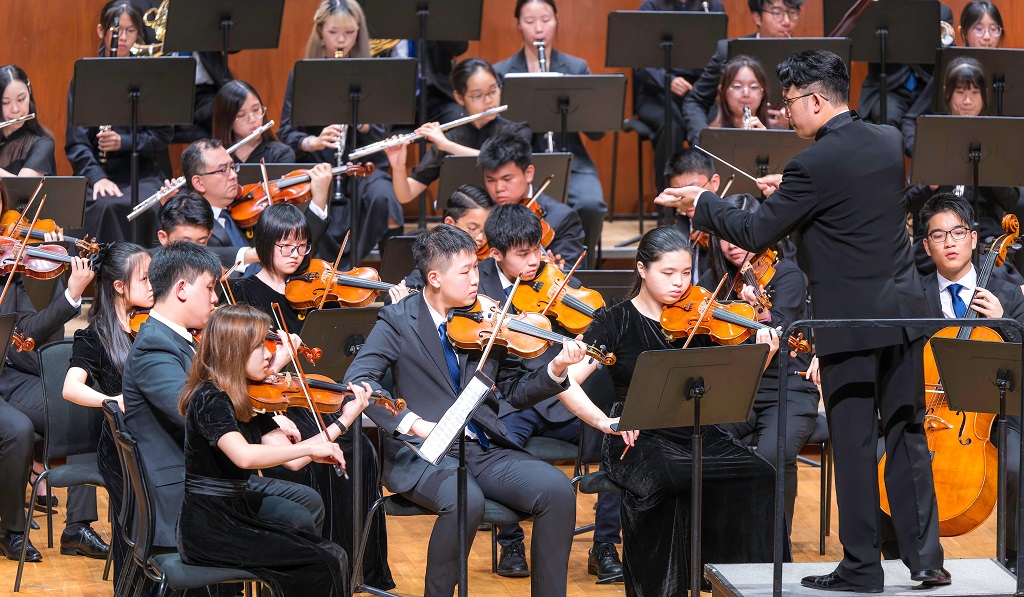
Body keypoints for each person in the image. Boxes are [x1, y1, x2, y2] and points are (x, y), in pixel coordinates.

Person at [655, 49, 947, 591]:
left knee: (854, 443)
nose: (785, 112)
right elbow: (847, 209)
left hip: (849, 326)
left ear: (815, 99)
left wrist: (703, 203)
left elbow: (755, 232)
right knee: (906, 433)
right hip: (905, 313)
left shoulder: (810, 167)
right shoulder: (887, 142)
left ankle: (863, 568)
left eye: (789, 101)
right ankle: (927, 560)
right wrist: (792, 196)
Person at [343, 224, 586, 597]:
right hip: (421, 451)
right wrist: (413, 423)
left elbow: (513, 391)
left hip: (480, 447)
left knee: (558, 491)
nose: (476, 278)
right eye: (466, 271)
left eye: (476, 267)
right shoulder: (398, 319)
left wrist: (555, 370)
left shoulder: (485, 316)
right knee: (465, 500)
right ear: (435, 278)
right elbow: (359, 379)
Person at [549, 226, 781, 596]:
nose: (679, 282)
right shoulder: (615, 320)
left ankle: (738, 584)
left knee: (761, 475)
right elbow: (566, 380)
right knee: (668, 481)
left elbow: (729, 382)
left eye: (686, 272)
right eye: (668, 272)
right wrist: (605, 421)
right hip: (637, 433)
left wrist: (763, 355)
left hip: (695, 428)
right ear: (642, 269)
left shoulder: (703, 317)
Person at [230, 203, 395, 589]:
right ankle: (319, 570)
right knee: (313, 460)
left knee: (362, 452)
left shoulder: (317, 290)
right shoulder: (242, 293)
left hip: (318, 392)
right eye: (285, 246)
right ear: (265, 244)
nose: (295, 255)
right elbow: (239, 365)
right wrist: (279, 363)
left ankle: (358, 569)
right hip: (275, 401)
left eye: (302, 246)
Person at [122, 241, 327, 549]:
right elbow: (193, 414)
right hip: (185, 490)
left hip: (214, 474)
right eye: (209, 288)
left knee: (308, 499)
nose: (215, 298)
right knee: (297, 514)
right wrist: (260, 408)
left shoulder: (184, 338)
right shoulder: (154, 347)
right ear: (182, 289)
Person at [479, 204, 623, 580]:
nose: (534, 261)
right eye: (522, 254)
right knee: (496, 442)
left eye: (538, 250)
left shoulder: (554, 281)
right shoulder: (477, 288)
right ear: (496, 254)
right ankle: (511, 543)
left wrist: (586, 350)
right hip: (516, 402)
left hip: (567, 401)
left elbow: (594, 334)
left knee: (621, 440)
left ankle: (605, 545)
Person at [176, 304, 361, 596]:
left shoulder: (243, 395)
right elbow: (244, 456)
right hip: (209, 527)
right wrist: (311, 450)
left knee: (334, 554)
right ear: (234, 350)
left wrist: (344, 420)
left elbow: (295, 461)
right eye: (259, 346)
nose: (269, 355)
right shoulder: (210, 397)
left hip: (233, 514)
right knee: (323, 562)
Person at [911, 192, 1023, 570]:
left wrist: (1005, 323)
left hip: (995, 416)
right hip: (930, 414)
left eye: (958, 233)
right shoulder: (913, 296)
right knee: (882, 463)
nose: (950, 242)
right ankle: (903, 558)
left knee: (1015, 466)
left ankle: (1014, 559)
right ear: (926, 246)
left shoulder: (1007, 292)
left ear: (974, 239)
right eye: (938, 235)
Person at [0, 179, 105, 563]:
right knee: (17, 430)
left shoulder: (8, 268)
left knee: (80, 408)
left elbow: (28, 328)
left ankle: (77, 528)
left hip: (9, 378)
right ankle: (11, 530)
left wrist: (71, 292)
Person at [700, 193, 817, 533]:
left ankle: (775, 546)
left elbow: (779, 330)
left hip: (788, 387)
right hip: (738, 389)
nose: (732, 244)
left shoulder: (787, 275)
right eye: (725, 235)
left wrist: (758, 312)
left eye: (740, 234)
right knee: (702, 441)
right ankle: (724, 537)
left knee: (773, 454)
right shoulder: (715, 281)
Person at [277, 0, 403, 265]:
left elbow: (383, 132)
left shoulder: (374, 72)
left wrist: (362, 122)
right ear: (320, 31)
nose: (342, 40)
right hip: (318, 166)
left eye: (349, 32)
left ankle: (372, 269)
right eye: (333, 32)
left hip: (363, 166)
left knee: (384, 196)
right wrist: (313, 141)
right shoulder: (303, 73)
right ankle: (318, 268)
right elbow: (286, 131)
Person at [493, 0, 608, 268]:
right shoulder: (502, 72)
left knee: (592, 203)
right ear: (518, 25)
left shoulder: (576, 67)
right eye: (530, 21)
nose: (539, 28)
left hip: (571, 158)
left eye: (545, 20)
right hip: (522, 162)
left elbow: (597, 132)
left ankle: (582, 268)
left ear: (556, 21)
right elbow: (498, 129)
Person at [62, 242, 153, 579]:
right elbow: (70, 388)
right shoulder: (95, 335)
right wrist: (113, 400)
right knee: (137, 524)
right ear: (119, 286)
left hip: (156, 436)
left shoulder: (153, 324)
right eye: (145, 279)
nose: (153, 286)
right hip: (122, 445)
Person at [903, 58, 1024, 277]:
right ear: (947, 94)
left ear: (985, 95)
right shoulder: (932, 136)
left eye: (975, 93)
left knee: (999, 279)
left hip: (984, 237)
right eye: (960, 92)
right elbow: (908, 203)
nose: (967, 101)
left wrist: (994, 175)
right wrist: (929, 187)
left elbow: (1016, 203)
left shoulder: (997, 138)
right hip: (939, 234)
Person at [65, 0, 172, 244]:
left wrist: (123, 142)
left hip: (142, 173)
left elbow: (162, 135)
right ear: (101, 31)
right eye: (116, 30)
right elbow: (76, 143)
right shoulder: (86, 77)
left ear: (138, 33)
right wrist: (97, 177)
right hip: (96, 171)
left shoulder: (149, 75)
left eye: (130, 30)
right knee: (106, 205)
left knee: (151, 203)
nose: (122, 38)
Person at [384, 57, 531, 206]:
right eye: (478, 95)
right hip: (461, 218)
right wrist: (398, 167)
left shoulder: (517, 132)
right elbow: (406, 195)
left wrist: (448, 146)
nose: (488, 100)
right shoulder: (450, 138)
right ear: (459, 97)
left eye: (493, 91)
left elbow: (503, 163)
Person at [178, 139, 331, 269]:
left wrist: (318, 201)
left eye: (232, 167)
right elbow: (193, 257)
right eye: (223, 170)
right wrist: (248, 255)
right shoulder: (188, 223)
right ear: (199, 183)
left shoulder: (247, 212)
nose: (233, 175)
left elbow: (297, 248)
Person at [681, 0, 800, 149]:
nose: (787, 21)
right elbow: (696, 101)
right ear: (757, 17)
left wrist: (793, 122)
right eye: (777, 13)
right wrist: (704, 141)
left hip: (784, 144)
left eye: (792, 12)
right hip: (728, 139)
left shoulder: (804, 57)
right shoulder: (728, 50)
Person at [636, 0, 727, 189]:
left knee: (713, 128)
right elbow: (640, 63)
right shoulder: (651, 6)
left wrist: (703, 89)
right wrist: (667, 80)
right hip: (657, 94)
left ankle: (709, 195)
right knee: (671, 126)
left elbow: (717, 58)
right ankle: (667, 198)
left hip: (698, 93)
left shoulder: (711, 6)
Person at [901, 1, 1006, 156]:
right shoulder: (950, 68)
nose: (987, 37)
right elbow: (910, 120)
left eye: (994, 29)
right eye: (978, 29)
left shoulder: (1010, 69)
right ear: (962, 33)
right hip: (948, 152)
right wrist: (922, 154)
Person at [478, 131, 585, 267]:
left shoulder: (562, 218)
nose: (499, 188)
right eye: (490, 180)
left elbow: (569, 271)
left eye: (507, 179)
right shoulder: (479, 212)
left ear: (528, 173)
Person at [390, 184, 495, 299]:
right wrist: (406, 300)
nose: (481, 237)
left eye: (486, 230)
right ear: (450, 223)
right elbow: (392, 298)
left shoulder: (495, 255)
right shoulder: (437, 257)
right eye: (473, 228)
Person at [857, 3, 954, 127]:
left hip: (926, 89)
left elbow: (947, 55)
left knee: (936, 120)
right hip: (890, 88)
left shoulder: (942, 12)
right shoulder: (881, 10)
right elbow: (867, 46)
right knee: (889, 117)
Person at [663, 148, 719, 284]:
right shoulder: (675, 232)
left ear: (715, 182)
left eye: (693, 189)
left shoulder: (734, 224)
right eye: (679, 192)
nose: (686, 198)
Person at [211, 80, 295, 164]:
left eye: (256, 109)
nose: (252, 120)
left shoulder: (281, 154)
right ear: (226, 121)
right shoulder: (213, 158)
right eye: (241, 115)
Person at [695, 55, 780, 135]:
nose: (746, 94)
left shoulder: (780, 136)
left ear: (763, 92)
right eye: (737, 86)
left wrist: (765, 139)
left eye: (753, 87)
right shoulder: (709, 136)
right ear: (722, 91)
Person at [0, 65, 56, 177]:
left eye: (21, 99)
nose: (15, 109)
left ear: (29, 94)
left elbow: (22, 185)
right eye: (6, 103)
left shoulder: (43, 144)